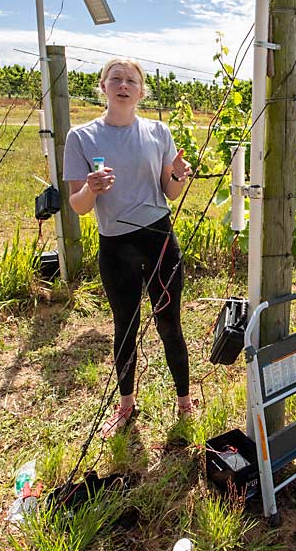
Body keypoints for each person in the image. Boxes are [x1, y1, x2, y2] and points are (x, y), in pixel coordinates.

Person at [63, 57, 195, 438]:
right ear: (102, 86)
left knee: (170, 323)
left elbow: (168, 191)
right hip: (115, 246)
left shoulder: (158, 131)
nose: (123, 85)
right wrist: (91, 188)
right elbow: (79, 206)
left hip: (159, 240)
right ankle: (126, 403)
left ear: (141, 91)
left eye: (131, 80)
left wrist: (177, 176)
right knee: (125, 326)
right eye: (115, 79)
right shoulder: (81, 137)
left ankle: (184, 401)